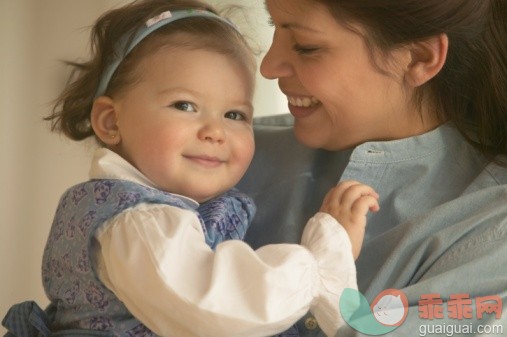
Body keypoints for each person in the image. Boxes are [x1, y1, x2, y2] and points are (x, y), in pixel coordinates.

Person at [2, 1, 381, 337]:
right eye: (184, 105)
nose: (215, 131)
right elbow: (218, 308)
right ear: (111, 122)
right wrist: (318, 262)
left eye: (235, 114)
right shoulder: (140, 223)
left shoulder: (161, 212)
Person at [238, 0, 507, 336]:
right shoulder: (217, 153)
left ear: (419, 57)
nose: (268, 67)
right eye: (273, 27)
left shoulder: (492, 234)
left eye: (306, 47)